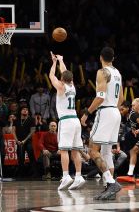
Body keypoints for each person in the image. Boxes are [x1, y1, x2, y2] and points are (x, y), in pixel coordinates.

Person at [80, 47, 123, 200]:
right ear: (114, 58)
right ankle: (108, 188)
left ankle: (111, 183)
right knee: (106, 152)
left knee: (92, 150)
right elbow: (121, 99)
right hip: (116, 112)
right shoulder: (117, 73)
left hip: (105, 111)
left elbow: (100, 97)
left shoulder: (102, 72)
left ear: (100, 58)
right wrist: (113, 112)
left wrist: (86, 113)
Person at [49, 52, 84, 190]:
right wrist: (61, 60)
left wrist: (53, 62)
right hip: (76, 121)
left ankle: (66, 176)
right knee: (75, 150)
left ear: (62, 79)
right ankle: (79, 176)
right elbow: (65, 73)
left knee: (63, 150)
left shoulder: (61, 87)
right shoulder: (72, 86)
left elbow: (52, 76)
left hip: (66, 121)